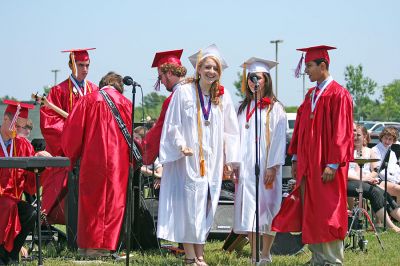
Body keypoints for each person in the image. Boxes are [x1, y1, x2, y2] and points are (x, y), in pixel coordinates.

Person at [157, 44, 240, 266]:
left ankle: (200, 255)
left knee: (206, 205)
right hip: (188, 159)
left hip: (211, 160)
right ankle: (189, 256)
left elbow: (231, 131)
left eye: (215, 68)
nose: (211, 71)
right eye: (207, 67)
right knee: (189, 205)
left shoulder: (223, 96)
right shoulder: (184, 92)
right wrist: (181, 145)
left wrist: (231, 160)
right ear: (199, 69)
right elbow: (172, 124)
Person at [272, 45, 354, 265]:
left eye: (309, 66)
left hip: (327, 165)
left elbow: (342, 131)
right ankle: (318, 257)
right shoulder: (311, 95)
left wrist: (334, 163)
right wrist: (297, 158)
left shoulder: (339, 94)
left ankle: (333, 259)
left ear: (323, 66)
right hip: (309, 165)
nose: (306, 70)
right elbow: (299, 128)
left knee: (328, 210)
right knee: (311, 209)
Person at [61, 72, 139, 256]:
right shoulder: (126, 104)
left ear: (102, 84)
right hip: (117, 164)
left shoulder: (88, 100)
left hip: (92, 161)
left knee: (91, 203)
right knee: (113, 203)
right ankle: (104, 248)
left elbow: (72, 133)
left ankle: (87, 248)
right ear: (120, 87)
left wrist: (72, 157)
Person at [233, 57, 286, 263]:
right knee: (248, 210)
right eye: (251, 78)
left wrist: (272, 166)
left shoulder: (275, 108)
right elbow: (234, 137)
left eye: (259, 78)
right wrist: (234, 164)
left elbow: (279, 140)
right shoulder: (241, 108)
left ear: (267, 81)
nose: (254, 82)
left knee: (267, 210)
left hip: (266, 166)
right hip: (246, 168)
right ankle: (254, 254)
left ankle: (266, 254)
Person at [40, 48, 99, 224]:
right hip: (68, 153)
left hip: (90, 153)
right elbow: (49, 122)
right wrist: (75, 137)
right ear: (72, 65)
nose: (85, 69)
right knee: (60, 187)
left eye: (87, 65)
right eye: (81, 65)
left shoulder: (94, 90)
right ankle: (48, 223)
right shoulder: (58, 91)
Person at [0, 100, 50, 265]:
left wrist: (40, 165)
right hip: (3, 201)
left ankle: (11, 255)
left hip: (12, 201)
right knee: (7, 205)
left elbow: (30, 186)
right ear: (6, 120)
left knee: (31, 213)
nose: (19, 131)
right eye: (17, 126)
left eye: (22, 127)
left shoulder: (23, 145)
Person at [348, 124, 400, 232]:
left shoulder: (369, 151)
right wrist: (365, 179)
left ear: (365, 136)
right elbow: (345, 173)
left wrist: (370, 178)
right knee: (376, 192)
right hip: (352, 181)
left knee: (384, 194)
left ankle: (389, 223)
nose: (356, 137)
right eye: (354, 135)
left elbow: (375, 170)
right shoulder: (347, 151)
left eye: (359, 135)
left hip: (367, 180)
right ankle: (391, 226)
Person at [141, 49, 187, 165]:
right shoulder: (196, 92)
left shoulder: (173, 99)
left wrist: (142, 148)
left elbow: (159, 129)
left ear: (169, 73)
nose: (161, 82)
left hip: (179, 159)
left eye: (160, 77)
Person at [371, 126, 400, 202]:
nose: (387, 141)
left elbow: (396, 168)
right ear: (381, 137)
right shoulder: (375, 150)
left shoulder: (392, 152)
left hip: (391, 180)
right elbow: (379, 170)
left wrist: (398, 179)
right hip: (379, 180)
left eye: (390, 139)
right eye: (385, 138)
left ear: (393, 140)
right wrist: (394, 181)